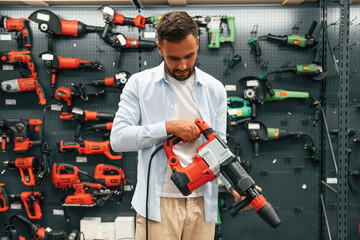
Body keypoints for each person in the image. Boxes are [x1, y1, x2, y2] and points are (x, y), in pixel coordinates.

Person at [110, 11, 244, 240]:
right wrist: (167, 127)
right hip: (158, 204)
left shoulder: (215, 89)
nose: (182, 65)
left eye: (189, 56)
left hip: (202, 203)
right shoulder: (139, 85)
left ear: (198, 44)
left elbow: (219, 148)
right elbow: (118, 139)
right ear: (160, 48)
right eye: (173, 58)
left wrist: (237, 185)